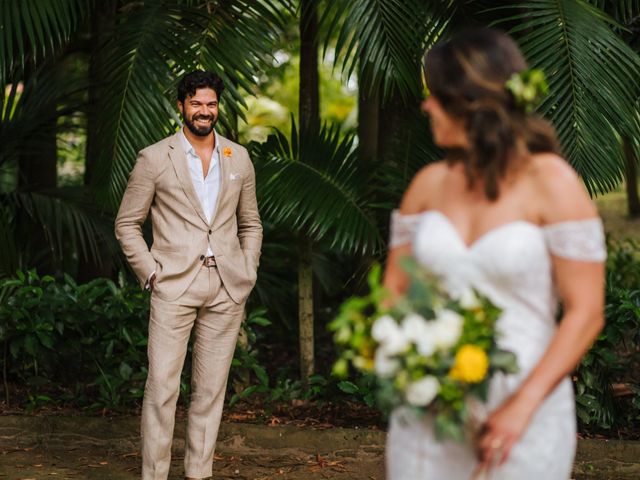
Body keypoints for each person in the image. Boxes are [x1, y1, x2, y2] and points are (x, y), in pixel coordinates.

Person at [383, 28, 605, 480]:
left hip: (525, 405)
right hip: (431, 408)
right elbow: (392, 293)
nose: (425, 106)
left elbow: (585, 312)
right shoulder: (426, 185)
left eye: (436, 95)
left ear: (468, 102)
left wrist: (520, 407)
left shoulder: (551, 180)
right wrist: (414, 365)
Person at [115, 70, 262, 480]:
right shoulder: (154, 158)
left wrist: (246, 269)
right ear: (181, 106)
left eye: (211, 104)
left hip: (227, 287)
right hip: (174, 285)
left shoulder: (238, 157)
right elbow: (127, 223)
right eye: (196, 103)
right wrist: (151, 273)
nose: (204, 111)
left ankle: (198, 474)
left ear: (218, 107)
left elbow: (251, 223)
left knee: (211, 392)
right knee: (162, 389)